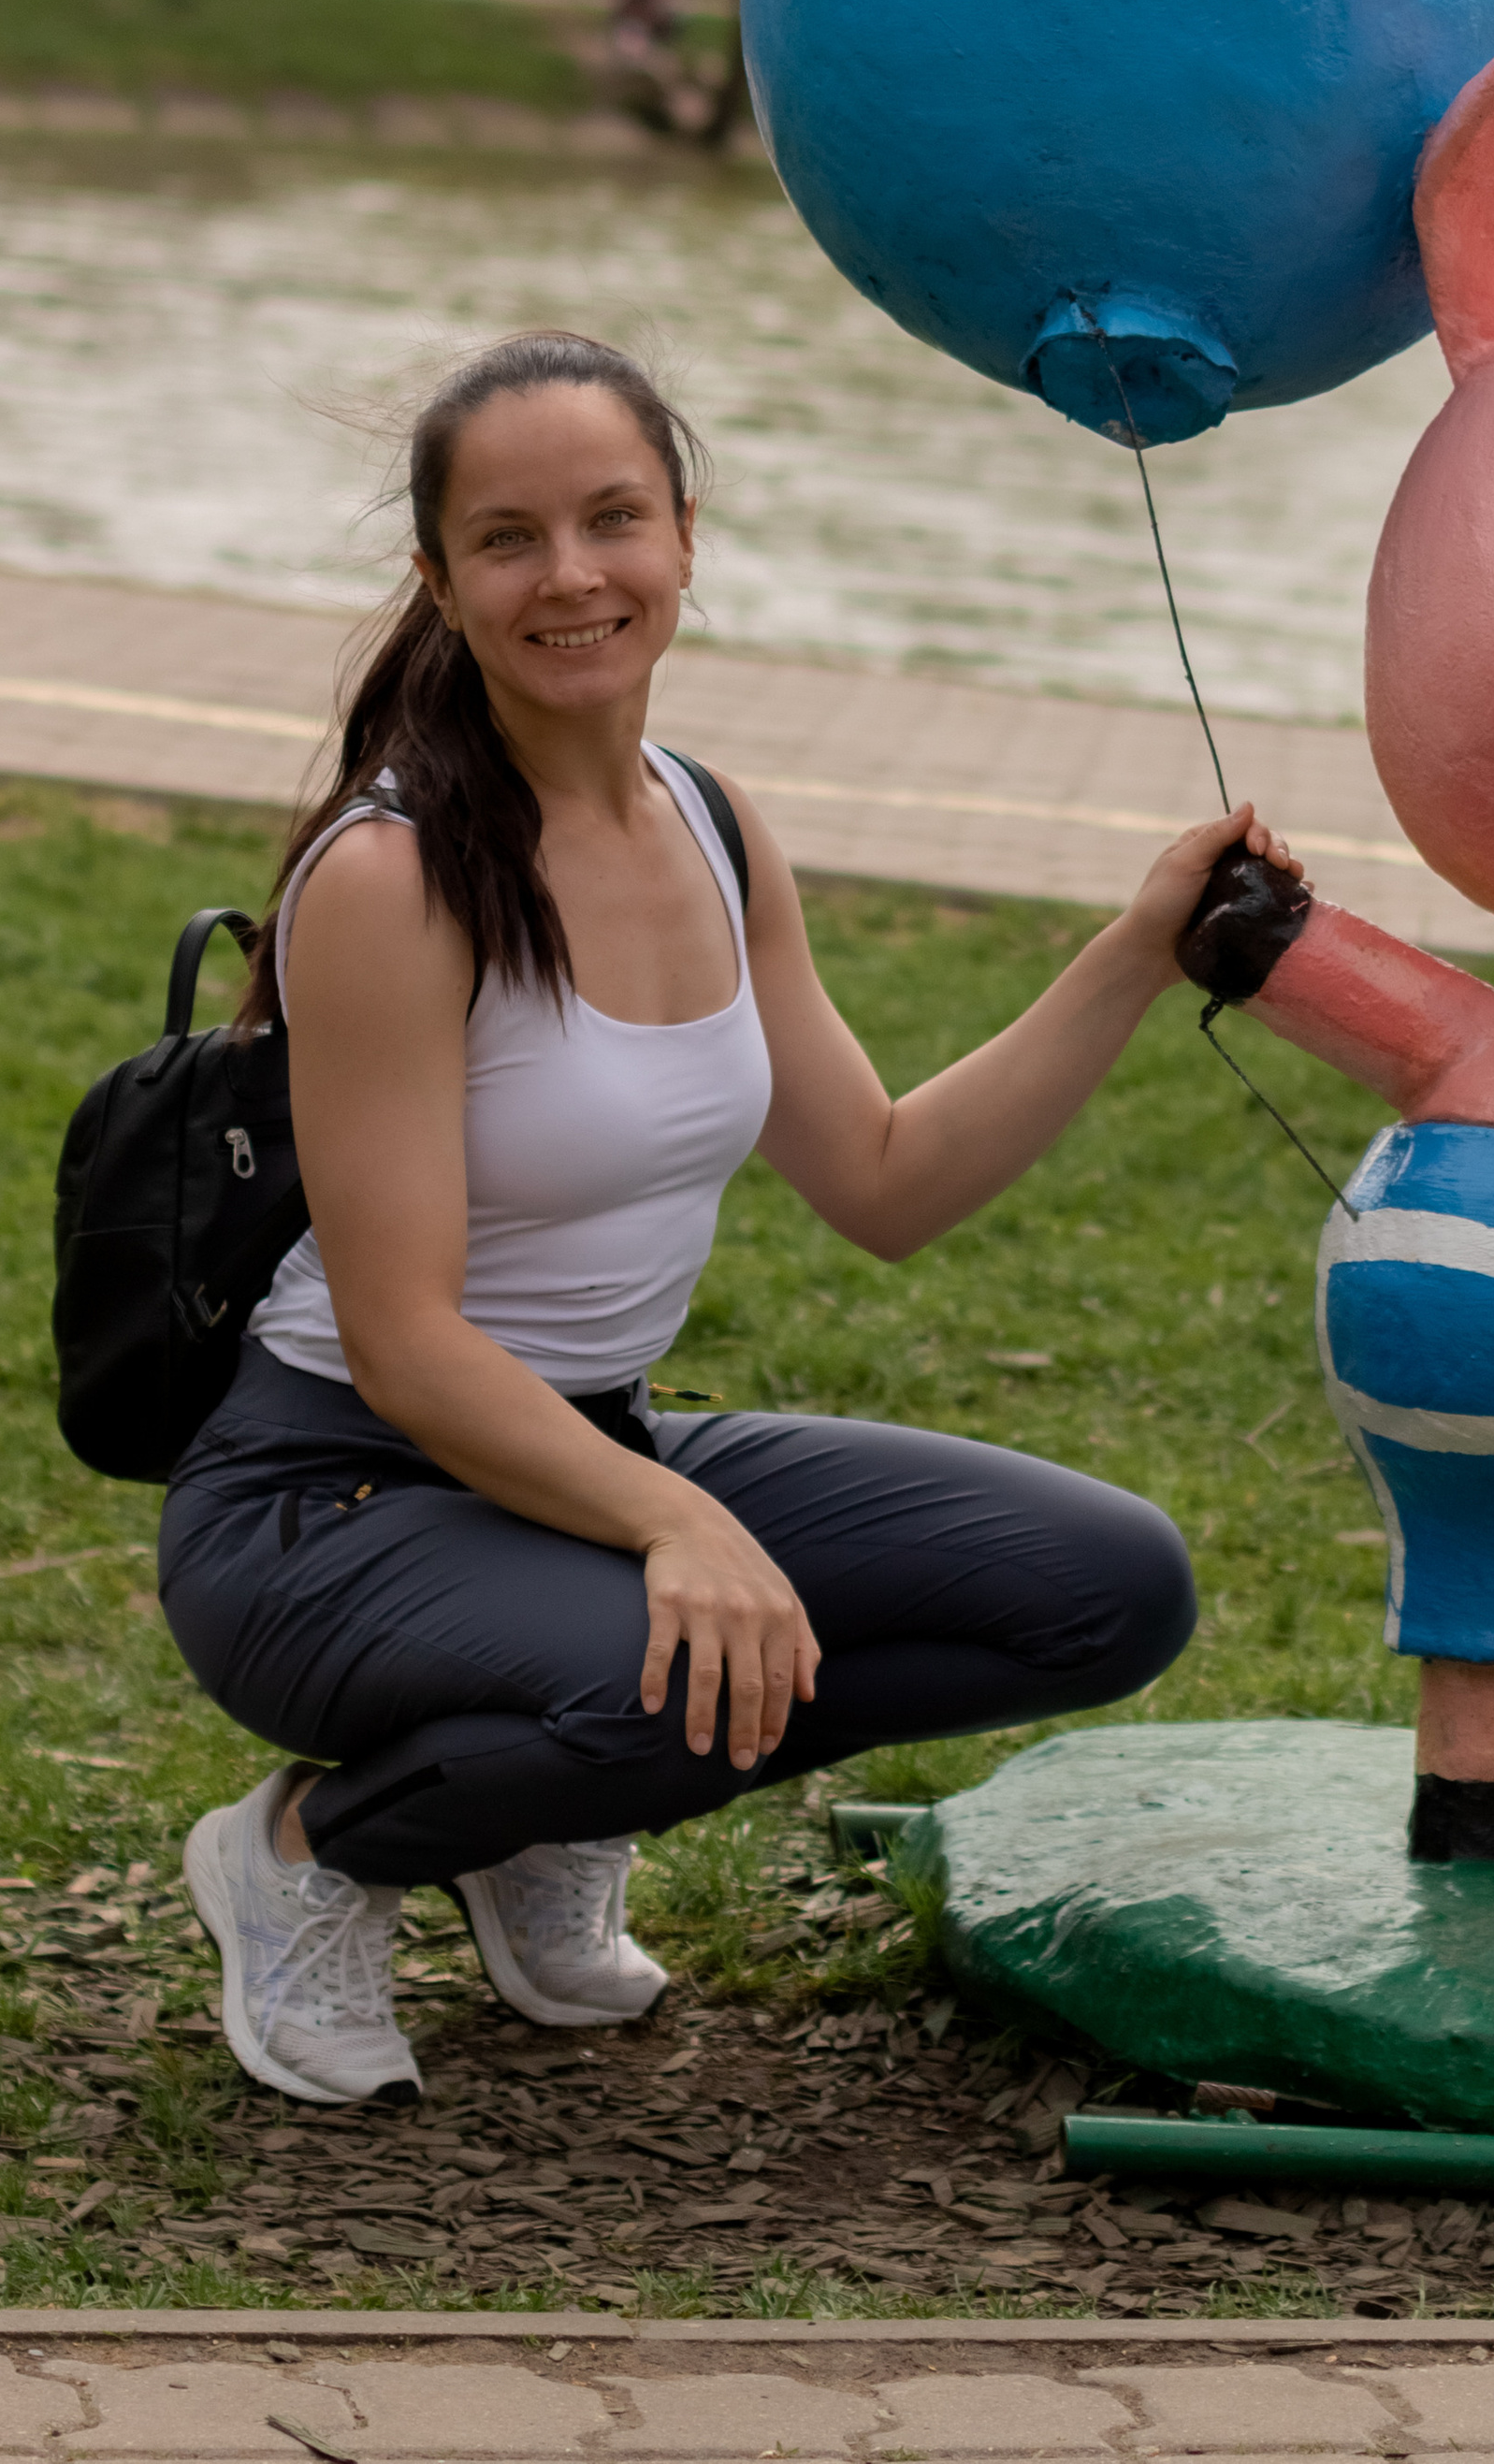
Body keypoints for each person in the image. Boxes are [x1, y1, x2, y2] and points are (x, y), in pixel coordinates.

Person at [161, 327, 1296, 2108]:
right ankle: (315, 1850)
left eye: (614, 518)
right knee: (671, 1669)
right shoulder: (393, 878)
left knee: (1104, 1591)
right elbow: (405, 1338)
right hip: (333, 1492)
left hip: (581, 1453)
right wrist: (678, 1523)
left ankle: (540, 1827)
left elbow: (887, 1179)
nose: (574, 576)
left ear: (687, 532)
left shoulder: (711, 820)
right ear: (441, 582)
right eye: (510, 538)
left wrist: (1141, 947)